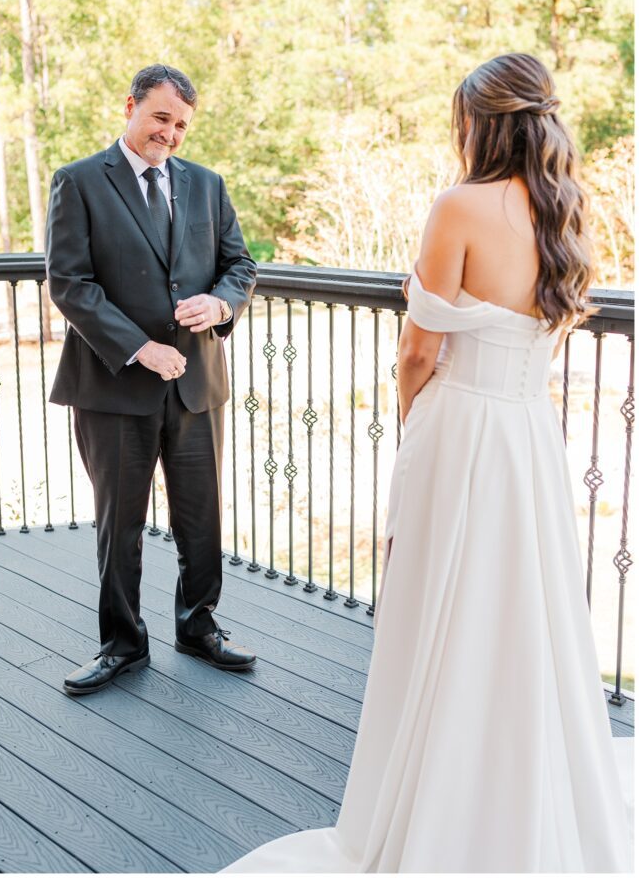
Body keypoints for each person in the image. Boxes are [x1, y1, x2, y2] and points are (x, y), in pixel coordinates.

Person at [221, 53, 632, 872]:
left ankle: (435, 806)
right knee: (522, 614)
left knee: (437, 608)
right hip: (526, 437)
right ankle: (516, 793)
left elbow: (417, 351)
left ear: (481, 122)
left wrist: (415, 432)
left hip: (462, 431)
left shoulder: (459, 206)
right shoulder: (569, 208)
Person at [46, 63, 257, 695]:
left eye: (182, 124)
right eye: (161, 117)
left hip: (196, 383)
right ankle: (122, 643)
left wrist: (221, 305)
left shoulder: (208, 185)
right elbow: (70, 284)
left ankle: (199, 625)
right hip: (113, 385)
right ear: (131, 105)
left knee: (201, 516)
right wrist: (139, 348)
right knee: (121, 521)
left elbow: (239, 264)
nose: (170, 133)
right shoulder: (78, 181)